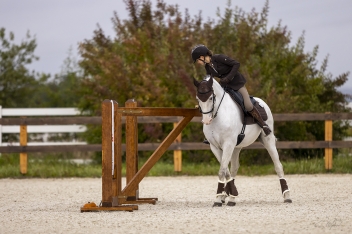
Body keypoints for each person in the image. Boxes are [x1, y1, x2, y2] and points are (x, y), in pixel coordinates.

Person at [191, 44, 271, 142]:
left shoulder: (219, 58)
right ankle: (211, 136)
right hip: (225, 86)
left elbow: (236, 64)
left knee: (248, 105)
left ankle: (263, 125)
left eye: (198, 60)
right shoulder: (208, 67)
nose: (198, 63)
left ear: (202, 56)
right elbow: (210, 80)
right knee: (216, 105)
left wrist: (228, 78)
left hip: (238, 84)